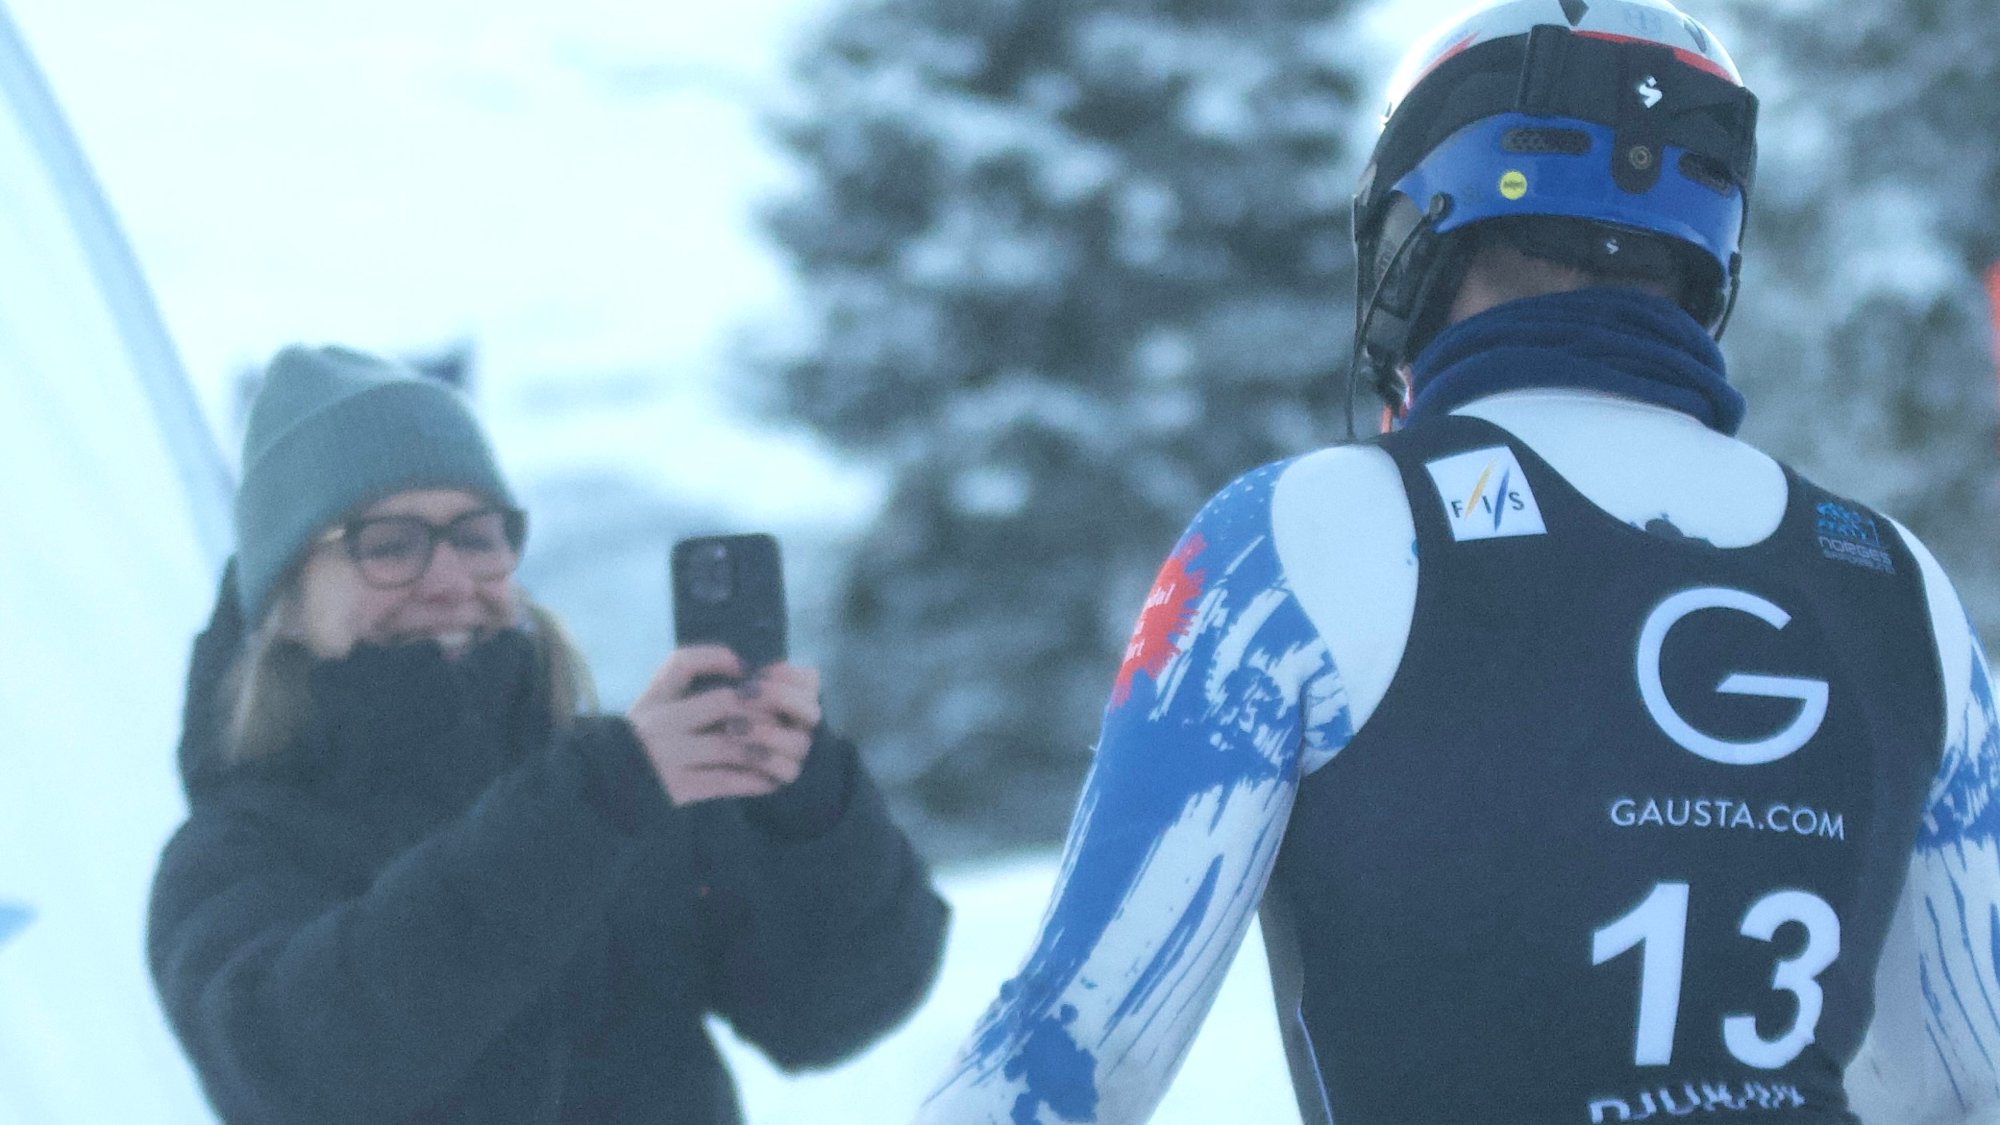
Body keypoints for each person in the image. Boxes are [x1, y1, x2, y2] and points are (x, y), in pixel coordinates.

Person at [916, 1, 2000, 1122]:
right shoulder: (1892, 582)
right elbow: (1966, 1083)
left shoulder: (1299, 535)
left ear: (1413, 242)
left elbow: (1068, 1053)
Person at [149, 344, 948, 1124]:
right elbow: (310, 1066)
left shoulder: (618, 786)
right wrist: (586, 804)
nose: (451, 579)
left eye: (477, 535)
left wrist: (809, 814)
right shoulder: (235, 854)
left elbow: (830, 1011)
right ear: (285, 601)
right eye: (388, 545)